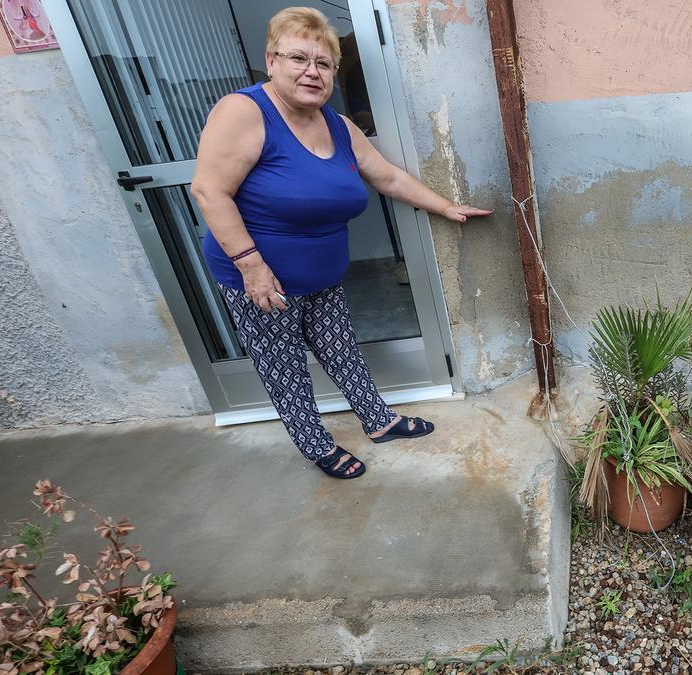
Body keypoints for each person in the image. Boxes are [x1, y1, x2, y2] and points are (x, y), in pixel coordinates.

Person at [191, 7, 490, 479]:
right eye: (299, 58)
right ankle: (315, 444)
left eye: (324, 63)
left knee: (342, 350)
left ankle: (379, 420)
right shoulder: (244, 112)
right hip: (262, 281)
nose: (313, 71)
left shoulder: (337, 125)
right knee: (284, 368)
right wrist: (251, 266)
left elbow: (386, 175)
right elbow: (210, 190)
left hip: (324, 275)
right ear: (271, 61)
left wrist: (445, 206)